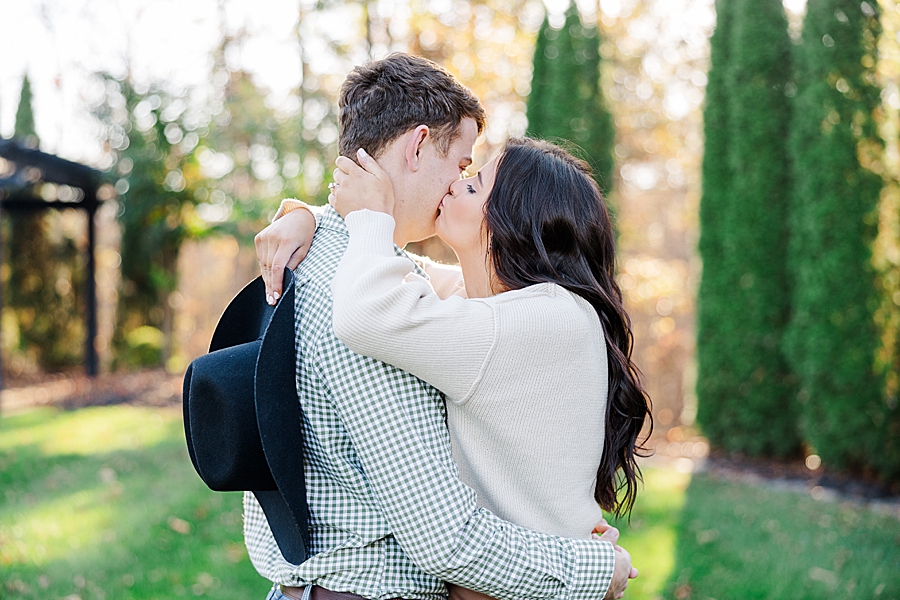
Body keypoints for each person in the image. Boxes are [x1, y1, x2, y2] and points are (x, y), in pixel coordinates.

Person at [249, 53, 636, 600]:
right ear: (417, 146)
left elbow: (411, 286)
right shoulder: (359, 280)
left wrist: (326, 216)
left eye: (474, 182)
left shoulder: (519, 312)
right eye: (461, 165)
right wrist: (595, 569)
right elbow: (446, 538)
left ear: (512, 222)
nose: (458, 184)